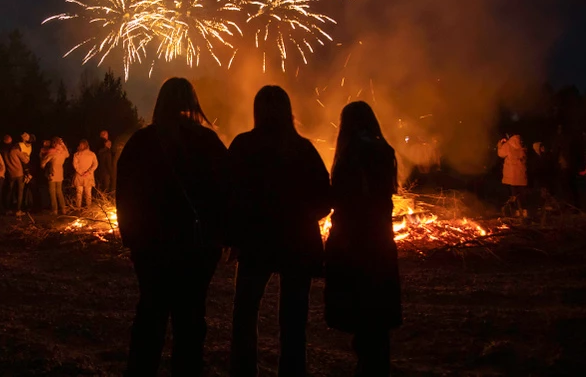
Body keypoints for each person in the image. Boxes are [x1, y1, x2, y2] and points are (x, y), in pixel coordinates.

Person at [116, 77, 229, 376]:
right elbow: (227, 192)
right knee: (191, 319)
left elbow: (125, 194)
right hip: (197, 249)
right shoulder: (208, 142)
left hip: (152, 247)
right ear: (193, 102)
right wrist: (219, 238)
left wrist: (132, 240)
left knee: (150, 316)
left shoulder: (142, 142)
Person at [228, 86, 331, 377]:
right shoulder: (304, 149)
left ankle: (243, 371)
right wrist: (302, 219)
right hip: (297, 245)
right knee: (294, 320)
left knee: (245, 315)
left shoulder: (244, 146)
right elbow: (325, 198)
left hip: (254, 242)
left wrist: (234, 235)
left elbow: (228, 195)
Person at [325, 101, 402, 376]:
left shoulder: (350, 156)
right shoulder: (384, 150)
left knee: (361, 314)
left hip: (354, 243)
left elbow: (344, 202)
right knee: (377, 318)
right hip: (380, 241)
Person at [498, 134, 527, 216]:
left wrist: (500, 144)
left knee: (513, 194)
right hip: (521, 174)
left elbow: (501, 154)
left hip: (511, 175)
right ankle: (523, 211)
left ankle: (514, 211)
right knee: (521, 193)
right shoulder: (522, 144)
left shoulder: (508, 145)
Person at [41, 137, 69, 215]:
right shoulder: (63, 153)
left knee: (52, 193)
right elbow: (68, 154)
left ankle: (54, 210)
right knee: (59, 192)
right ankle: (63, 209)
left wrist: (44, 165)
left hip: (52, 174)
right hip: (60, 175)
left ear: (54, 144)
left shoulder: (52, 153)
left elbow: (43, 163)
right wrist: (63, 145)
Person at [6, 134, 31, 215]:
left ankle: (8, 209)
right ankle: (18, 210)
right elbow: (25, 160)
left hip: (10, 173)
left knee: (9, 191)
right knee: (20, 192)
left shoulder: (4, 152)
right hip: (19, 173)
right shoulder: (15, 150)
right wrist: (25, 155)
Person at [72, 140, 98, 208]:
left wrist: (81, 172)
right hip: (88, 176)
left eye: (80, 145)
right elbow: (95, 164)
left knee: (79, 193)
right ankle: (88, 208)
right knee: (87, 194)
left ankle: (78, 208)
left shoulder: (76, 154)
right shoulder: (92, 154)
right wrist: (88, 172)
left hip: (79, 176)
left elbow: (75, 165)